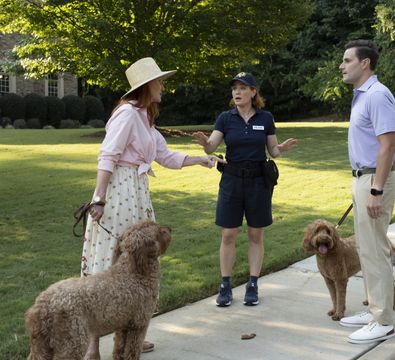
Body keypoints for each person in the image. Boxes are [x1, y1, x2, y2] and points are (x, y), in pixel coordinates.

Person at [81, 57, 223, 359]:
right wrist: (99, 198)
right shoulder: (127, 115)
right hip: (119, 194)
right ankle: (92, 346)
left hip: (137, 193)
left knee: (138, 266)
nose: (163, 87)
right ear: (146, 86)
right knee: (109, 262)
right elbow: (107, 156)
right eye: (159, 82)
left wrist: (202, 159)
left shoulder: (145, 118)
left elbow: (164, 156)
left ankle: (132, 334)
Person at [192, 72, 298, 307]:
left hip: (258, 182)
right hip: (231, 180)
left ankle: (252, 283)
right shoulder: (225, 118)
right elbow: (211, 146)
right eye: (234, 89)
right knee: (228, 233)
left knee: (255, 234)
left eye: (242, 88)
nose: (237, 92)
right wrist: (204, 143)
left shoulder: (266, 117)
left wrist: (282, 147)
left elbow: (273, 151)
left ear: (253, 92)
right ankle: (225, 285)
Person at [337, 40, 395, 344]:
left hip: (374, 180)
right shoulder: (361, 96)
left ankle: (382, 320)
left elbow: (388, 145)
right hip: (363, 178)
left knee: (375, 250)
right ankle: (375, 307)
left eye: (347, 60)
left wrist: (375, 189)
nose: (342, 65)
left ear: (365, 64)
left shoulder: (377, 96)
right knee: (366, 248)